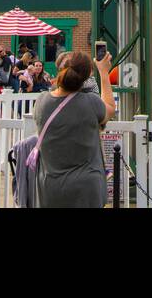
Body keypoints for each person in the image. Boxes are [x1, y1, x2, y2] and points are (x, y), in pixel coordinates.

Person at [32, 49, 115, 209]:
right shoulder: (91, 103)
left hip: (51, 189)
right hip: (87, 189)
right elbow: (110, 108)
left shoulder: (41, 102)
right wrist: (104, 73)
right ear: (85, 77)